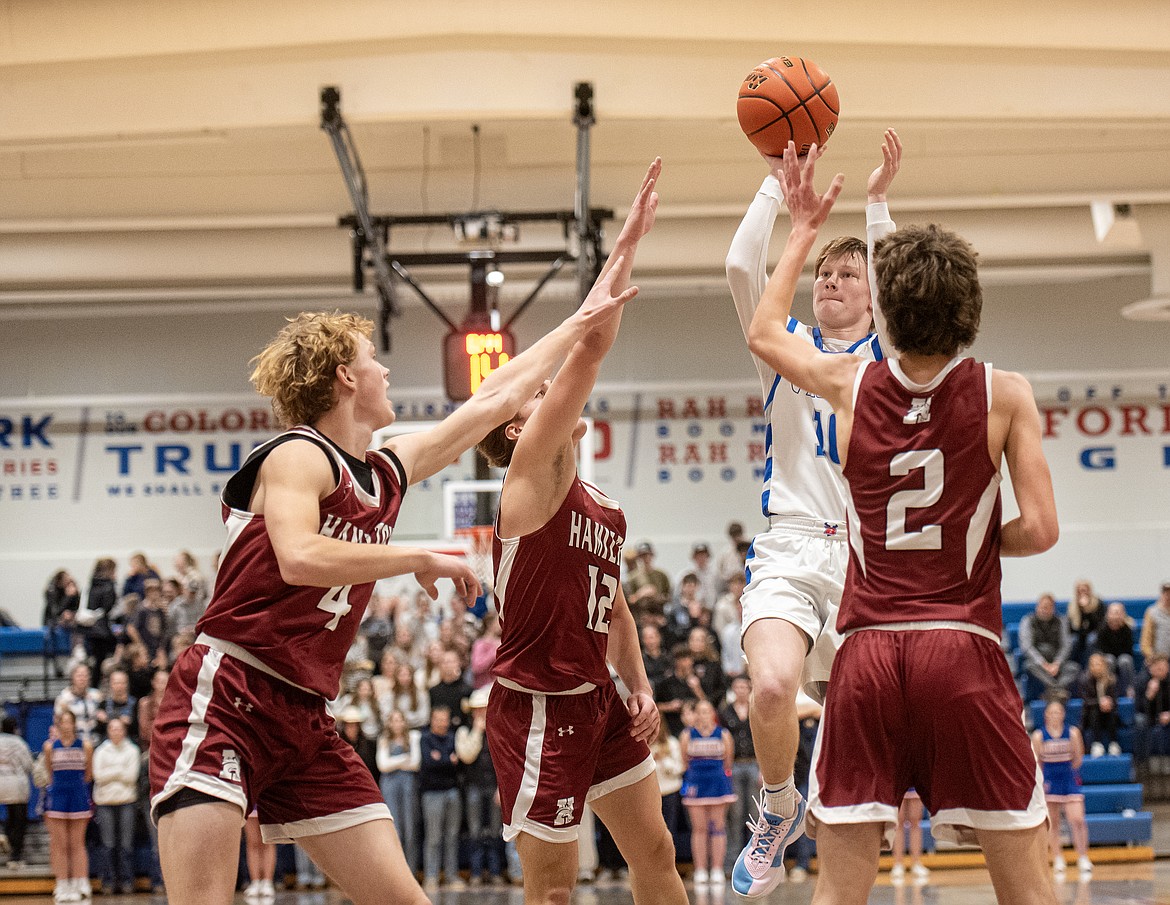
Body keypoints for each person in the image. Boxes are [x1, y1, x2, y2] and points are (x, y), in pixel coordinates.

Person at [148, 192, 646, 905]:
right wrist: (415, 556)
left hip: (305, 717)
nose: (384, 369)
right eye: (372, 358)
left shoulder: (384, 469)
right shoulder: (297, 455)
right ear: (345, 377)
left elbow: (494, 399)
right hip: (228, 693)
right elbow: (299, 555)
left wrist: (584, 313)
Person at [747, 142, 1060, 905]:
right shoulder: (1005, 393)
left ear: (885, 307)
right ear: (968, 308)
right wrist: (977, 543)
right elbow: (1042, 529)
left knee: (841, 891)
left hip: (868, 656)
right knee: (1028, 887)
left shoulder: (853, 382)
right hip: (963, 649)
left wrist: (800, 232)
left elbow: (762, 333)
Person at [474, 158, 686, 905]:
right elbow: (589, 347)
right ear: (515, 423)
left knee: (655, 848)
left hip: (597, 695)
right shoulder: (528, 475)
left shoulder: (594, 498)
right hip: (537, 703)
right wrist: (625, 242)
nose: (546, 387)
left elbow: (617, 603)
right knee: (556, 887)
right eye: (534, 390)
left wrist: (638, 682)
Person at [725, 130, 902, 898]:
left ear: (871, 296)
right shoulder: (785, 345)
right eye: (823, 272)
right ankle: (774, 806)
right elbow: (740, 266)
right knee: (769, 688)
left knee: (857, 771)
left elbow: (897, 285)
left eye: (846, 274)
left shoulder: (890, 361)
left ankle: (838, 828)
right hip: (791, 547)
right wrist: (775, 183)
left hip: (869, 563)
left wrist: (877, 207)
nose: (830, 281)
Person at [1032, 699, 1092, 879]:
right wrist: (1044, 782)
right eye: (1052, 712)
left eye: (1058, 711)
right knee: (1054, 823)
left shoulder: (1072, 733)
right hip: (1050, 781)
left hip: (1068, 778)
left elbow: (1078, 757)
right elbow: (1037, 762)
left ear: (1063, 714)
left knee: (1078, 819)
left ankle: (1083, 857)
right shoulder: (1039, 736)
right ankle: (1057, 858)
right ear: (1046, 715)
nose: (1055, 715)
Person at [679, 699, 736, 887]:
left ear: (713, 713)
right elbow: (684, 761)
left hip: (718, 782)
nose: (703, 715)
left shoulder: (724, 734)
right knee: (699, 828)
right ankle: (701, 869)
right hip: (696, 782)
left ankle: (717, 869)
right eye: (700, 711)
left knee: (718, 827)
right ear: (695, 714)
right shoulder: (687, 734)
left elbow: (728, 761)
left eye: (707, 711)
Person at [43, 709, 93, 903]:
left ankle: (81, 882)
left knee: (77, 843)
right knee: (60, 844)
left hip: (78, 796)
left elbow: (89, 774)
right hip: (58, 797)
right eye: (62, 722)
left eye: (68, 722)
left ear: (74, 724)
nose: (65, 726)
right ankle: (63, 884)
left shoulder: (85, 746)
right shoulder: (50, 747)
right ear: (57, 725)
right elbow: (50, 774)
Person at [456, 685, 503, 885]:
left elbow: (504, 761)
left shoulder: (498, 730)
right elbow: (466, 756)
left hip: (493, 786)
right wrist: (477, 731)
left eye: (483, 708)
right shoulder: (464, 732)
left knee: (494, 832)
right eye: (477, 709)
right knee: (475, 832)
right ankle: (475, 873)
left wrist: (502, 788)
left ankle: (495, 873)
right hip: (474, 787)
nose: (480, 713)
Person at [91, 716, 140, 894]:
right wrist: (120, 770)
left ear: (124, 730)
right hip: (104, 802)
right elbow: (98, 776)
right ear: (108, 731)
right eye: (112, 728)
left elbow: (131, 776)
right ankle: (108, 882)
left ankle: (128, 882)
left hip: (127, 801)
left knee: (126, 845)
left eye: (119, 728)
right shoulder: (101, 751)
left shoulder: (132, 750)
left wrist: (110, 772)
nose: (116, 731)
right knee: (108, 845)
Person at [418, 705, 462, 891]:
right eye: (438, 719)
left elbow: (458, 764)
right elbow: (428, 764)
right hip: (432, 793)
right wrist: (447, 760)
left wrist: (440, 759)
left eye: (445, 719)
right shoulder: (425, 738)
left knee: (452, 836)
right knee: (433, 837)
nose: (442, 722)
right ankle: (431, 877)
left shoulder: (453, 737)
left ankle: (451, 876)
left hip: (452, 791)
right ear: (432, 720)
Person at [376, 710, 420, 872]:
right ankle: (395, 872)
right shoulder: (383, 739)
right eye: (393, 720)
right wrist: (403, 760)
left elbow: (415, 763)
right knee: (394, 830)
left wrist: (393, 763)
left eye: (400, 720)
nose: (397, 723)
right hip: (390, 787)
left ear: (404, 722)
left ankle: (411, 871)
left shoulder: (413, 737)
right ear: (389, 723)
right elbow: (383, 766)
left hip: (408, 787)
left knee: (410, 829)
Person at [1019, 593, 1080, 699]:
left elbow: (1066, 645)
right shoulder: (1028, 620)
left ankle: (1053, 691)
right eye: (1042, 606)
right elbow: (1027, 646)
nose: (1044, 610)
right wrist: (1043, 664)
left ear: (1053, 608)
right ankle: (1056, 689)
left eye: (1047, 607)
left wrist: (1057, 663)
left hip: (1058, 663)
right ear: (1037, 607)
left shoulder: (1061, 621)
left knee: (1074, 668)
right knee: (1028, 666)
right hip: (1038, 664)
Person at [0, 716, 34, 869]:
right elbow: (28, 765)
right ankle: (15, 856)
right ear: (15, 728)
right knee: (19, 821)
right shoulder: (19, 743)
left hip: (1, 784)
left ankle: (6, 837)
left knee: (10, 817)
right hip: (17, 785)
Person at [1079, 652, 1121, 756]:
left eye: (1098, 664)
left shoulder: (1112, 680)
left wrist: (1108, 702)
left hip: (1108, 714)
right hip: (1091, 716)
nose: (1095, 667)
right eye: (1093, 665)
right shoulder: (1085, 680)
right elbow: (1086, 701)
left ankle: (1113, 743)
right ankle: (1097, 743)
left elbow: (1115, 700)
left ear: (1104, 665)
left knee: (1110, 710)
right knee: (1095, 711)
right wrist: (1100, 702)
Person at [1093, 602, 1136, 696]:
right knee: (1109, 659)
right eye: (1113, 613)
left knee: (1125, 660)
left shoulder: (1127, 630)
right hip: (1109, 658)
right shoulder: (1102, 629)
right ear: (1108, 614)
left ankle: (1130, 689)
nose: (1115, 617)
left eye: (1118, 613)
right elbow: (1101, 650)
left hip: (1122, 657)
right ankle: (1108, 689)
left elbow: (1128, 650)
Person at [890, 790, 929, 884]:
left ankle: (916, 863)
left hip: (914, 782)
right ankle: (898, 863)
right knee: (898, 821)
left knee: (915, 820)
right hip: (898, 780)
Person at [1140, 582, 1170, 662]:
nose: (1168, 596)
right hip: (1157, 658)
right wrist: (1152, 656)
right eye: (1166, 593)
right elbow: (1145, 640)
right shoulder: (1152, 612)